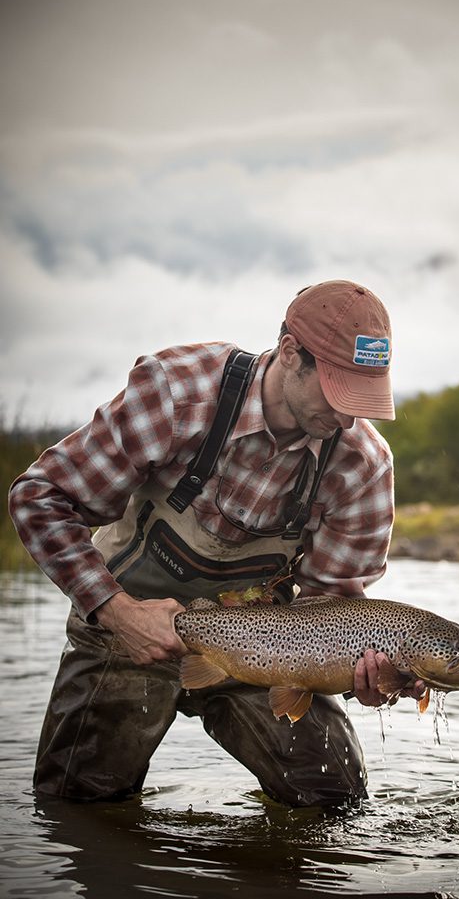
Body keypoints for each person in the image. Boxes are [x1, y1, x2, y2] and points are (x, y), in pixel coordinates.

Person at [9, 279, 422, 808]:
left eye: (363, 399)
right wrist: (116, 612)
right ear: (291, 353)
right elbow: (40, 498)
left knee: (332, 796)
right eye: (339, 394)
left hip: (268, 649)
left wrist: (361, 674)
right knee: (79, 806)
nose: (347, 418)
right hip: (125, 622)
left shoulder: (364, 466)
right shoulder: (178, 393)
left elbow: (334, 610)